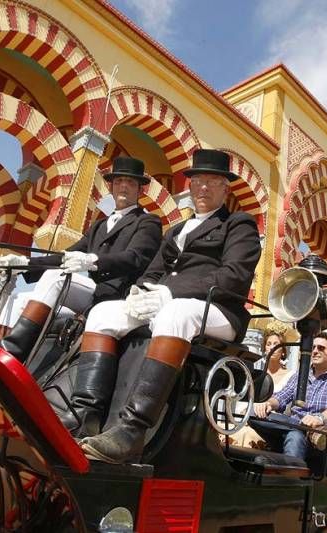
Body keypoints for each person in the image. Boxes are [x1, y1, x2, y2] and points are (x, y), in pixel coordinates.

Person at [73, 149, 262, 463]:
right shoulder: (176, 230)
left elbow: (235, 276)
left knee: (177, 312)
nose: (203, 187)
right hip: (168, 304)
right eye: (197, 180)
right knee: (103, 313)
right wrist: (138, 292)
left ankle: (133, 429)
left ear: (225, 189)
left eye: (212, 181)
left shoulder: (238, 224)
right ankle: (86, 418)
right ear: (189, 185)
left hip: (218, 311)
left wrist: (167, 293)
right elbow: (153, 271)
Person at [0, 157, 162, 361]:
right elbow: (65, 256)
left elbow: (135, 258)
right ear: (111, 187)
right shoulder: (100, 226)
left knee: (55, 279)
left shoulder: (148, 222)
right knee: (19, 299)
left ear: (140, 190)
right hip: (93, 294)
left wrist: (93, 260)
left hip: (117, 296)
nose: (124, 187)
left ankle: (12, 353)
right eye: (118, 182)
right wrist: (26, 263)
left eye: (130, 182)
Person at [251, 331, 327, 460]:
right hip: (293, 425)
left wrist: (319, 418)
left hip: (319, 437)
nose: (315, 351)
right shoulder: (300, 375)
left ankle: (287, 473)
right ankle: (287, 469)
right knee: (251, 413)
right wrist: (268, 404)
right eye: (313, 347)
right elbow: (282, 396)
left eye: (321, 348)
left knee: (295, 436)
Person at [230, 321, 295, 448]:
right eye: (269, 344)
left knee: (246, 435)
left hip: (269, 424)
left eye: (276, 344)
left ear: (283, 350)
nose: (272, 348)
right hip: (245, 417)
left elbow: (286, 405)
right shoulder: (255, 371)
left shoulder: (292, 375)